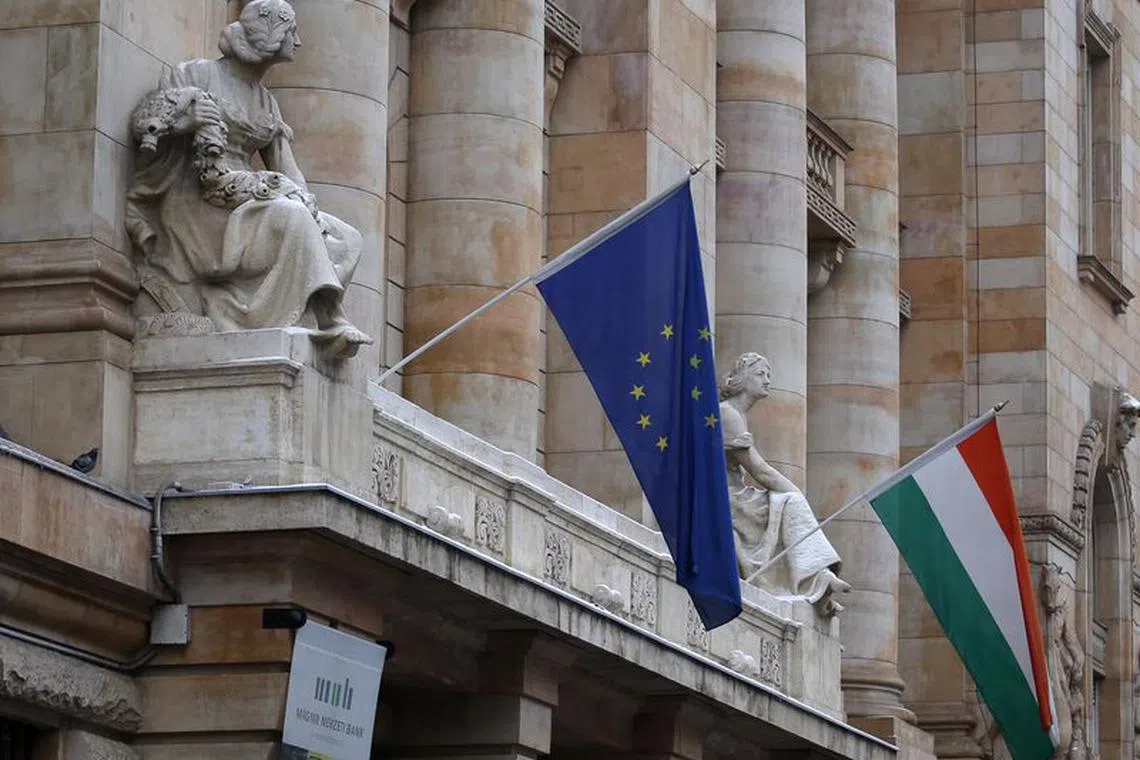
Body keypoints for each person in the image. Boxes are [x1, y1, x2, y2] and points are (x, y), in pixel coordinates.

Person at [125, 0, 370, 357]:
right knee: (293, 219)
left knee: (347, 239)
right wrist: (189, 122)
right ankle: (330, 315)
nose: (298, 42)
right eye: (291, 32)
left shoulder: (267, 103)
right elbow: (146, 128)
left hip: (247, 196)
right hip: (198, 198)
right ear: (270, 35)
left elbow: (288, 168)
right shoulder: (197, 75)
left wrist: (306, 200)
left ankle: (290, 317)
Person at [718, 352, 850, 615]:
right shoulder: (727, 413)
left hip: (736, 498)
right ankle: (816, 580)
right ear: (743, 379)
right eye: (760, 374)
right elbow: (760, 471)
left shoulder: (736, 414)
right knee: (789, 501)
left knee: (788, 502)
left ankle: (817, 582)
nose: (767, 380)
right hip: (726, 500)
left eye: (768, 375)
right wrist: (797, 495)